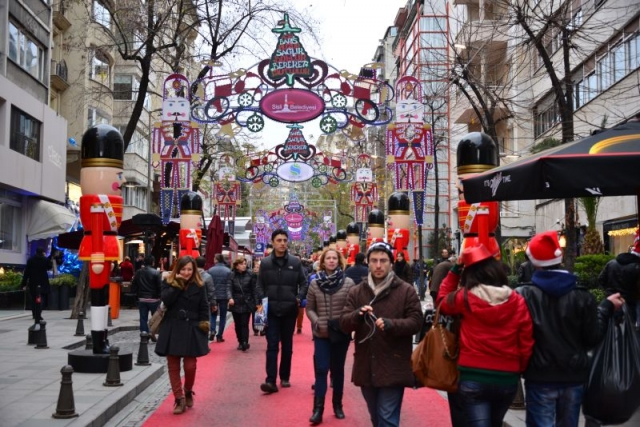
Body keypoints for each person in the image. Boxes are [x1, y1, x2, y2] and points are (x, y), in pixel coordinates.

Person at [516, 230, 624, 427]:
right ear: (560, 257)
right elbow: (593, 337)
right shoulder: (582, 296)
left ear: (533, 262)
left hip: (539, 376)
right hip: (573, 376)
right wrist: (605, 308)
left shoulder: (523, 296)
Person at [437, 245, 534, 427]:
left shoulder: (465, 298)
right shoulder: (517, 300)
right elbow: (526, 340)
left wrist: (456, 269)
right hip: (507, 376)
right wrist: (518, 367)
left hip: (473, 374)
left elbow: (442, 301)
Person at [339, 241, 422, 427]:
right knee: (376, 417)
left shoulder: (406, 290)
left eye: (383, 260)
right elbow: (344, 323)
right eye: (374, 260)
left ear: (391, 263)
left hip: (394, 364)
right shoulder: (356, 291)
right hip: (366, 364)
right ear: (367, 262)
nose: (378, 265)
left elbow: (417, 322)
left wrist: (392, 325)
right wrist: (357, 315)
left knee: (386, 417)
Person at [154, 256, 210, 415]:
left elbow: (204, 307)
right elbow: (166, 300)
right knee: (173, 366)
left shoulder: (199, 285)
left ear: (194, 271)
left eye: (189, 270)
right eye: (183, 269)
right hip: (172, 327)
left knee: (190, 366)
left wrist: (204, 325)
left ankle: (188, 390)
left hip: (192, 328)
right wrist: (177, 285)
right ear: (178, 269)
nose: (186, 272)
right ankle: (179, 399)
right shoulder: (168, 283)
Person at [306, 248, 356, 424]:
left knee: (338, 371)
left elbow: (353, 306)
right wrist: (316, 320)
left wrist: (346, 321)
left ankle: (337, 404)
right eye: (328, 258)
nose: (332, 261)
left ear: (339, 261)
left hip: (340, 333)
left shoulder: (348, 283)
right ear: (323, 261)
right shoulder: (314, 283)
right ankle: (317, 409)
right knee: (321, 369)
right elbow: (309, 308)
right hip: (321, 333)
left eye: (335, 258)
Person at [256, 229, 308, 394]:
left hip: (289, 310)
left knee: (287, 346)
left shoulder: (295, 262)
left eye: (285, 240)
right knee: (272, 346)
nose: (282, 243)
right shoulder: (265, 263)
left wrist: (298, 297)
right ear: (273, 242)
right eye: (279, 240)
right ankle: (270, 380)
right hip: (271, 311)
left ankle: (284, 376)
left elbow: (304, 282)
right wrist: (262, 302)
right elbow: (259, 285)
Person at [598, 229, 640, 324]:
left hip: (612, 301)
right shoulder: (637, 267)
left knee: (613, 329)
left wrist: (609, 292)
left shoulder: (611, 263)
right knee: (630, 331)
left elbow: (601, 279)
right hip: (630, 303)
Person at [228, 257, 258, 351]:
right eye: (241, 264)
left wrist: (256, 302)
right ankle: (240, 341)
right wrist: (230, 298)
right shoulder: (231, 275)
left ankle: (245, 342)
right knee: (237, 324)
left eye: (245, 263)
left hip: (247, 302)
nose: (244, 265)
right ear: (237, 266)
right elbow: (229, 288)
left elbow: (254, 290)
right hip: (235, 302)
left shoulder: (251, 275)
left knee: (244, 323)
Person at [130, 255, 162, 341]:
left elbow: (134, 285)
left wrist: (136, 294)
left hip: (142, 298)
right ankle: (152, 333)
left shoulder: (139, 272)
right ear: (152, 262)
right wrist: (160, 297)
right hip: (154, 299)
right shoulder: (156, 272)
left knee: (143, 318)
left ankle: (144, 335)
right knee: (156, 318)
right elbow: (160, 287)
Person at [21, 247, 52, 321]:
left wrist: (24, 283)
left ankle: (34, 314)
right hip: (43, 281)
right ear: (43, 252)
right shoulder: (45, 260)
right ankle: (39, 314)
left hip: (33, 281)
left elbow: (26, 272)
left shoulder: (31, 260)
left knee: (34, 298)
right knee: (42, 298)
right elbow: (49, 267)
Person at [207, 253, 232, 342]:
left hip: (213, 296)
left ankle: (212, 330)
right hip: (224, 297)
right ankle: (219, 335)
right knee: (222, 316)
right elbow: (229, 285)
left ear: (216, 260)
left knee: (213, 315)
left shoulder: (210, 270)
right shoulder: (228, 271)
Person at [195, 256, 217, 325]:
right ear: (204, 264)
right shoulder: (208, 277)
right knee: (204, 323)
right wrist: (213, 303)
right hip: (205, 304)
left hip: (191, 303)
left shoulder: (191, 275)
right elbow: (211, 291)